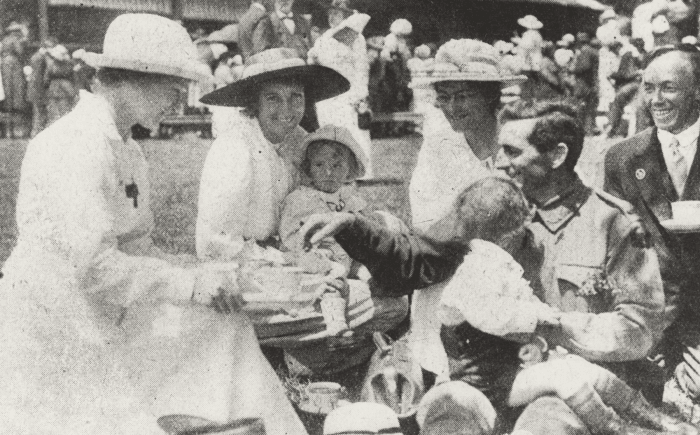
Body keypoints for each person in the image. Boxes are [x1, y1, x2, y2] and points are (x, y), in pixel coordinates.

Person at [0, 14, 307, 434]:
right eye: (173, 87)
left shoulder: (127, 148)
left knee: (224, 319)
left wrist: (197, 272)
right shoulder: (73, 146)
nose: (180, 101)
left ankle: (243, 423)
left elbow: (138, 250)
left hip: (108, 313)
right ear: (130, 79)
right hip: (57, 332)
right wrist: (189, 284)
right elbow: (92, 269)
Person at [430, 177, 693, 435]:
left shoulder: (494, 262)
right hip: (486, 383)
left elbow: (520, 299)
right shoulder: (469, 271)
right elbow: (493, 316)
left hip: (507, 371)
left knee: (581, 369)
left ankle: (651, 417)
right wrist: (539, 317)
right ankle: (615, 428)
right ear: (508, 235)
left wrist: (538, 324)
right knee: (564, 377)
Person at [407, 38, 526, 380]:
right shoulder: (439, 147)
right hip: (451, 265)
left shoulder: (518, 139)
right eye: (443, 97)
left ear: (490, 94)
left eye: (462, 95)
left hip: (515, 269)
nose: (451, 107)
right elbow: (426, 225)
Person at [605, 44, 700, 407]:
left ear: (697, 90)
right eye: (648, 88)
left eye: (669, 87)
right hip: (650, 321)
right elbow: (619, 256)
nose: (655, 99)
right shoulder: (623, 158)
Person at [278, 125, 408, 377]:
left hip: (348, 258)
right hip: (313, 258)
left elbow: (364, 229)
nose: (328, 173)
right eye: (319, 165)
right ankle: (336, 328)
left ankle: (363, 336)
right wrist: (317, 254)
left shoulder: (348, 198)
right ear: (308, 168)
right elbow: (291, 237)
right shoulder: (302, 199)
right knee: (333, 279)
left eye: (337, 167)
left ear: (349, 170)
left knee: (378, 275)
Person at [196, 47, 349, 259]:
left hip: (294, 251)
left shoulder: (300, 140)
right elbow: (216, 244)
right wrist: (282, 259)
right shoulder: (234, 148)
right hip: (244, 263)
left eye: (296, 96)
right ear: (254, 102)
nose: (286, 109)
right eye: (273, 98)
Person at [308, 11, 373, 177]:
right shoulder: (324, 38)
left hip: (349, 92)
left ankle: (359, 170)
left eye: (338, 15)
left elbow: (362, 67)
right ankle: (333, 171)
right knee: (330, 130)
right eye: (331, 15)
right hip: (328, 93)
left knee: (352, 130)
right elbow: (313, 59)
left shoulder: (356, 38)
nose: (333, 18)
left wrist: (361, 94)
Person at [1, 21, 28, 138]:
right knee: (16, 94)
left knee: (7, 96)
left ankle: (8, 130)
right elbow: (20, 52)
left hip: (4, 66)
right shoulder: (16, 40)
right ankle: (15, 130)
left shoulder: (4, 41)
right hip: (13, 66)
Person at [570, 32, 600, 134]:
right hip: (591, 82)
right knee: (590, 107)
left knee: (581, 106)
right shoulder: (593, 51)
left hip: (584, 83)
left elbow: (585, 66)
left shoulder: (585, 51)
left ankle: (582, 129)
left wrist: (573, 70)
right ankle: (589, 129)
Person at [27, 37, 56, 137]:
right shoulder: (43, 57)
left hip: (35, 88)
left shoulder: (36, 56)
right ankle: (37, 135)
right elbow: (46, 74)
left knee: (39, 113)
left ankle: (36, 134)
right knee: (40, 114)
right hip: (39, 89)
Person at [44, 44, 78, 126]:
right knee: (64, 112)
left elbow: (46, 79)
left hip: (54, 90)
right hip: (65, 89)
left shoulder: (51, 64)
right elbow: (73, 77)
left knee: (55, 114)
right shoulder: (69, 65)